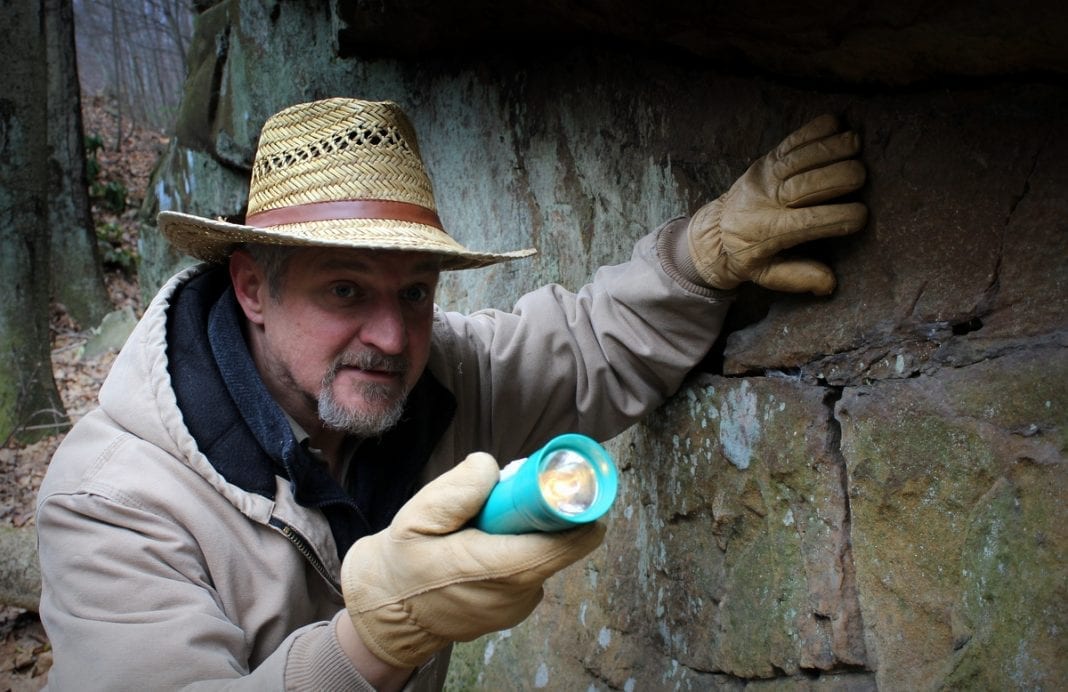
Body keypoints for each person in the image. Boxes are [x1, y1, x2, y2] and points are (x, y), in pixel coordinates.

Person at [35, 97, 866, 690]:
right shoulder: (111, 497)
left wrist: (700, 255)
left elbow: (584, 347)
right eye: (346, 292)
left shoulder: (441, 378)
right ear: (252, 288)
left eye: (417, 292)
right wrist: (371, 643)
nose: (394, 340)